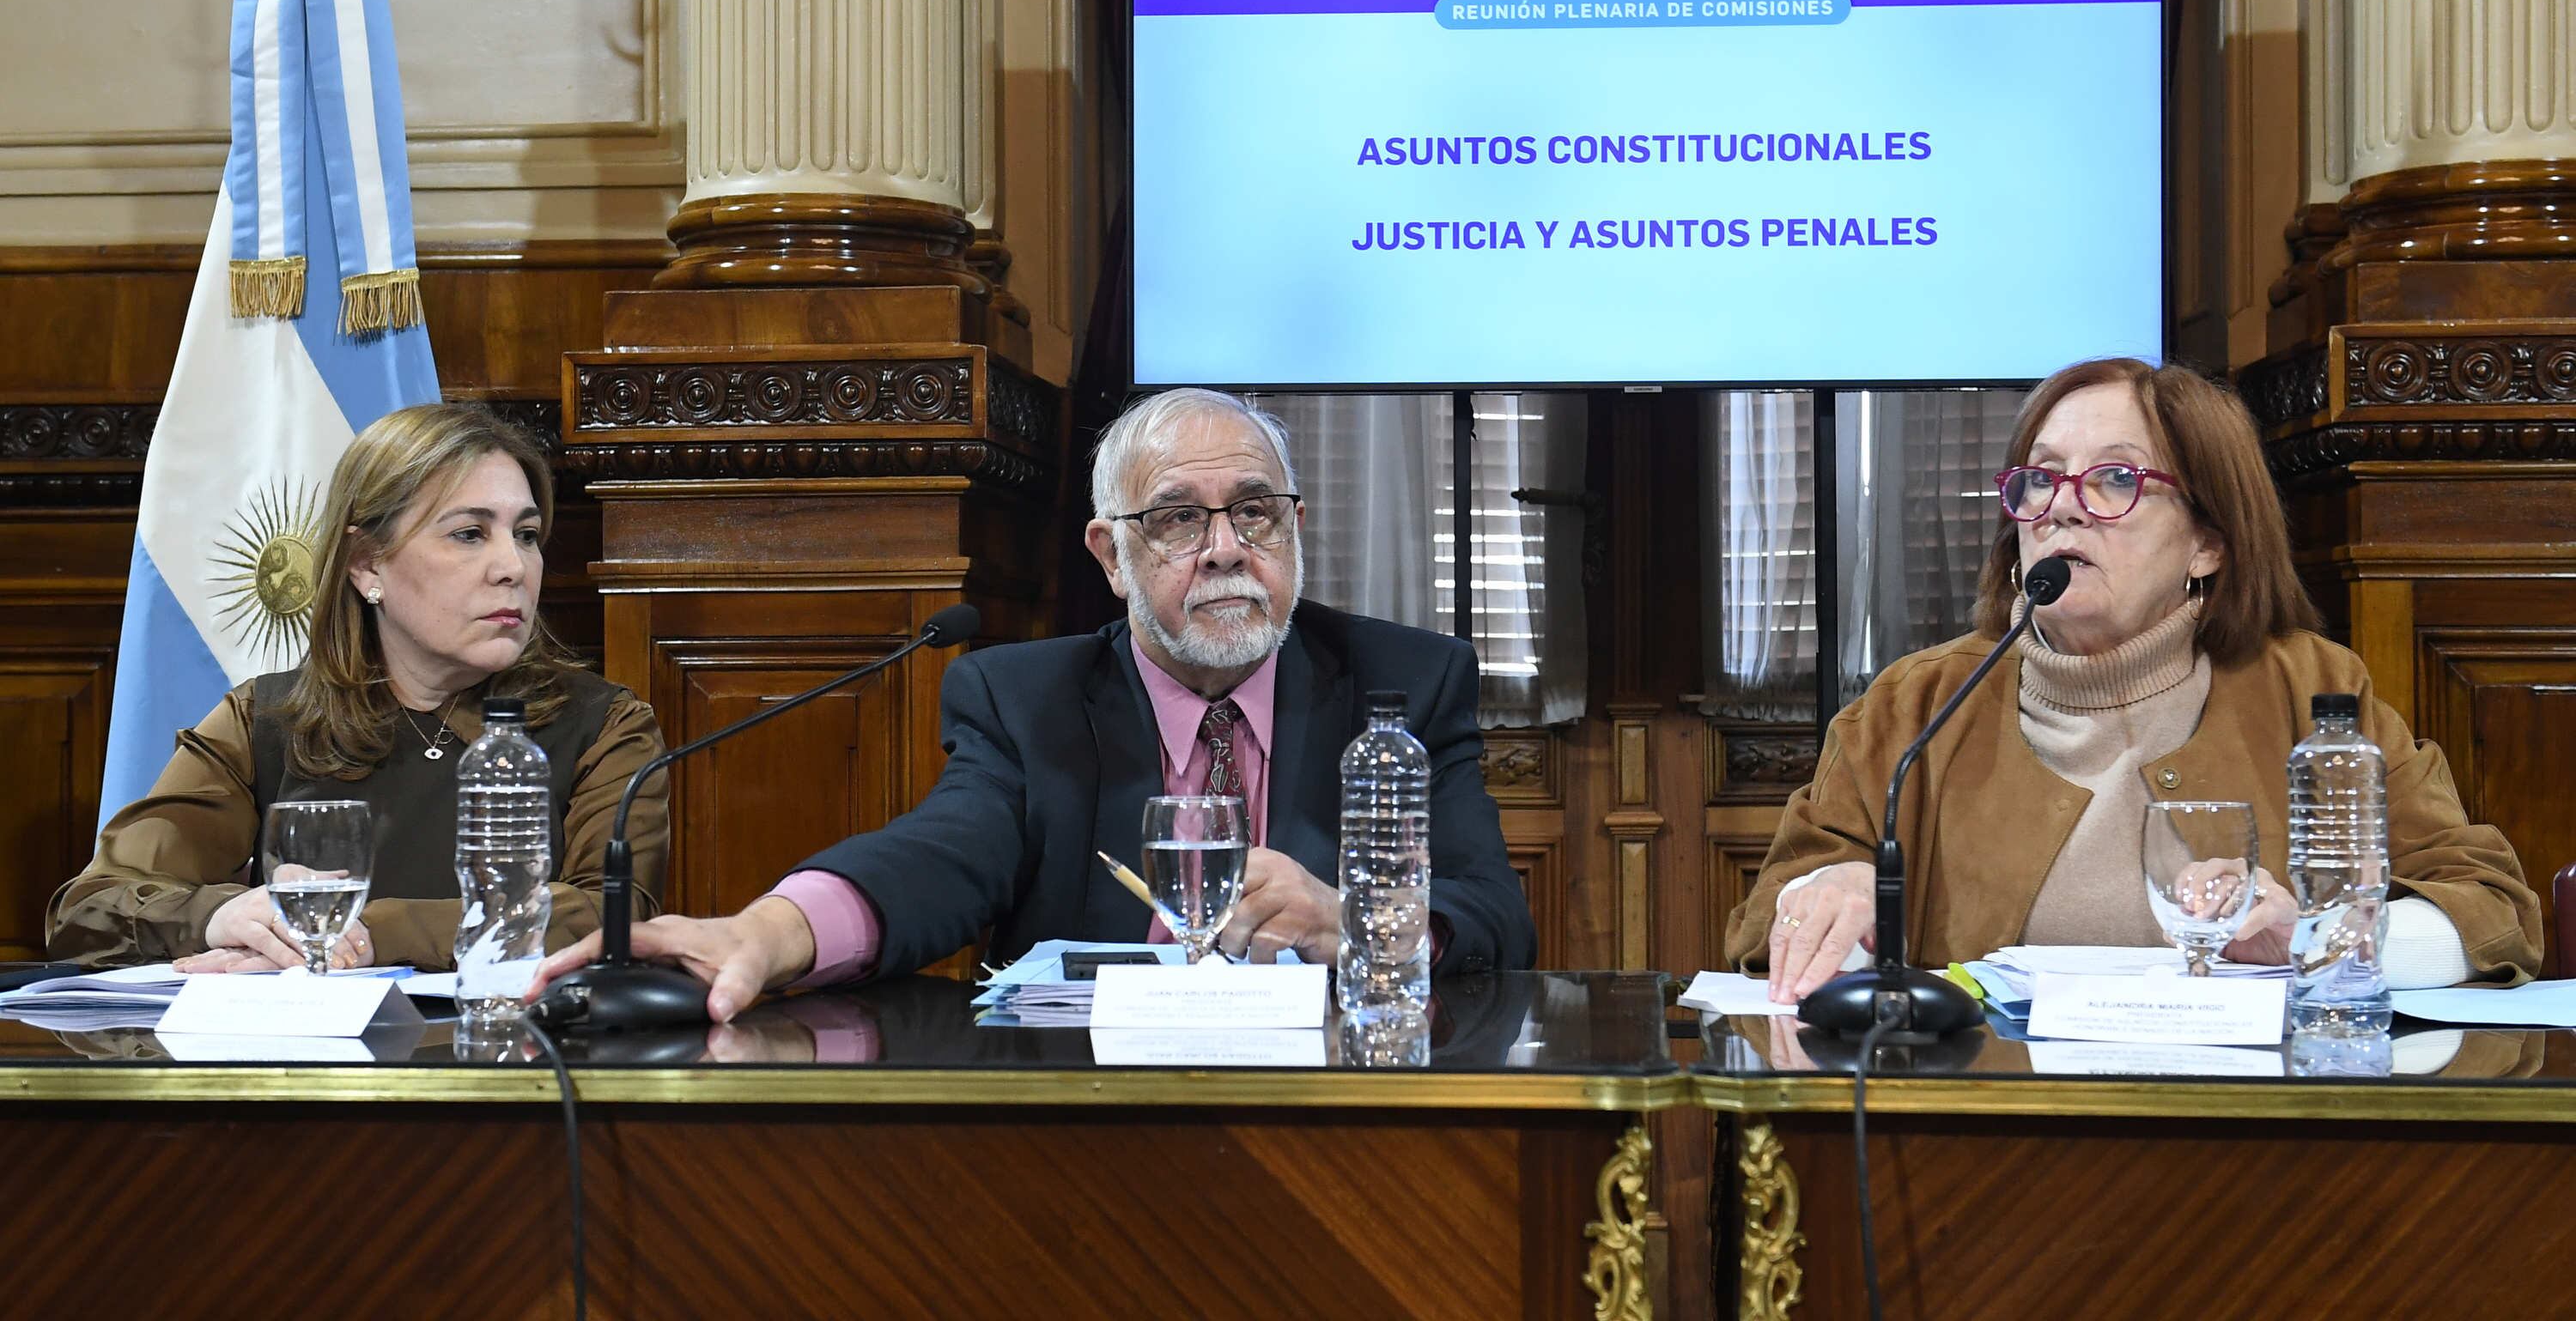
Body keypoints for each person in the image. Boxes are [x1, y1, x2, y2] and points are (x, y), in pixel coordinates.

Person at [529, 386, 1536, 1022]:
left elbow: (1493, 915)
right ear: (1111, 554)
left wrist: (1355, 918)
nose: (1227, 547)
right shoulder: (1024, 696)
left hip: (1347, 1123)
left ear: (1296, 527)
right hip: (1088, 1137)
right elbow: (941, 855)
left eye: (1256, 511)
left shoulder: (1403, 683)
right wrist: (771, 930)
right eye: (1181, 517)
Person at [1728, 357, 2541, 1003]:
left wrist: (2319, 937)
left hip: (2253, 1139)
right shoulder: (1913, 709)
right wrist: (1834, 897)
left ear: (2208, 543)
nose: (2061, 509)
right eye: (2040, 478)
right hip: (1980, 1138)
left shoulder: (2311, 689)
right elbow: (1763, 926)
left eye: (2116, 479)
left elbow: (2493, 911)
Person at [48, 403, 668, 971]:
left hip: (519, 1060)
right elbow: (89, 910)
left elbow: (607, 915)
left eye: (526, 534)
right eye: (469, 533)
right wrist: (219, 918)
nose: (513, 566)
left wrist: (345, 935)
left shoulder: (604, 724)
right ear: (367, 564)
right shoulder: (265, 720)